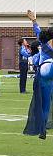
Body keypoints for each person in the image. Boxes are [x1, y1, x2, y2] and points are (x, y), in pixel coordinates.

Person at [23, 10, 53, 139]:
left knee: (44, 102)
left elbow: (37, 31)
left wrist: (33, 20)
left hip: (44, 70)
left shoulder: (44, 43)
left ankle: (42, 130)